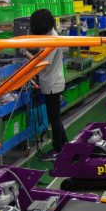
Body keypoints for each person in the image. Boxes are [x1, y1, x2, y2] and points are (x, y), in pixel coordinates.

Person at [27, 9, 67, 158]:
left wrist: (25, 53)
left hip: (52, 84)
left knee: (54, 118)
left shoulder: (52, 40)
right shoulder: (50, 35)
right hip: (51, 81)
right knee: (55, 116)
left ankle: (58, 150)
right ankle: (64, 144)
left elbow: (44, 63)